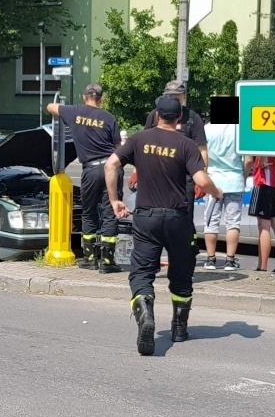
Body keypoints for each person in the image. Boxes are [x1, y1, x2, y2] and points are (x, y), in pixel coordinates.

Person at [104, 95, 223, 356]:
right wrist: (216, 192)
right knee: (182, 272)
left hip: (146, 217)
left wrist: (115, 200)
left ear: (157, 115)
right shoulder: (187, 144)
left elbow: (111, 164)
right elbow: (201, 179)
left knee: (142, 273)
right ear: (180, 118)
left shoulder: (138, 139)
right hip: (178, 218)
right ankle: (179, 328)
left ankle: (145, 311)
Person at [47, 83, 123, 273]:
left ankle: (89, 258)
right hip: (110, 168)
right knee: (110, 211)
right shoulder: (109, 118)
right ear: (101, 98)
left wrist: (62, 108)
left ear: (84, 97)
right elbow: (118, 148)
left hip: (89, 170)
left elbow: (50, 107)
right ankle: (107, 262)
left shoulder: (74, 112)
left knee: (89, 212)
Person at [129, 80, 208, 254]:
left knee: (183, 218)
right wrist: (136, 171)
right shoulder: (154, 115)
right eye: (170, 96)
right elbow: (143, 144)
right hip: (154, 178)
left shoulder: (193, 119)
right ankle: (153, 257)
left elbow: (201, 150)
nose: (173, 100)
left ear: (184, 97)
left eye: (177, 97)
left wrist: (201, 178)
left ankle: (184, 256)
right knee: (152, 217)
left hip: (183, 179)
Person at [202, 123, 252, 271]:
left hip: (213, 181)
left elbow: (202, 156)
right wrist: (242, 177)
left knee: (210, 221)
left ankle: (211, 260)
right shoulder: (241, 129)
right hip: (235, 180)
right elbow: (249, 160)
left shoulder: (207, 129)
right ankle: (230, 261)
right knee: (233, 223)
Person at [247, 156, 275, 272]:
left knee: (264, 226)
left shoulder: (267, 137)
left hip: (265, 181)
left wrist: (261, 161)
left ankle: (262, 266)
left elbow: (264, 146)